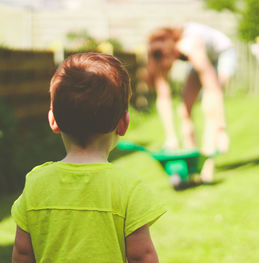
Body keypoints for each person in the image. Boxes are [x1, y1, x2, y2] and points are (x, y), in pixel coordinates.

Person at [11, 52, 166, 263]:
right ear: (124, 123)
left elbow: (22, 253)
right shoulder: (128, 188)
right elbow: (142, 256)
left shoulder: (36, 185)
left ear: (53, 120)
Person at [146, 22, 236, 182]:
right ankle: (192, 163)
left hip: (222, 54)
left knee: (209, 107)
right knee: (184, 111)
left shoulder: (191, 45)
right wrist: (170, 136)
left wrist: (222, 129)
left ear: (171, 51)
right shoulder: (157, 53)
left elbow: (214, 89)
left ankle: (207, 170)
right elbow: (163, 95)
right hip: (201, 60)